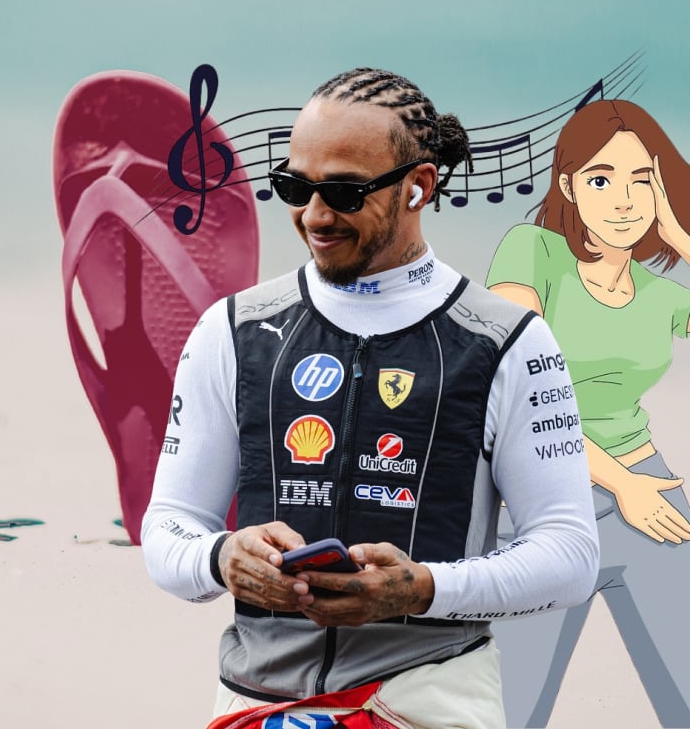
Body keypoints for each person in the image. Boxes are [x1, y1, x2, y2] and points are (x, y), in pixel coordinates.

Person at [141, 67, 600, 728]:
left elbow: (570, 556)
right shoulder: (231, 332)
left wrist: (422, 590)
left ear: (420, 187)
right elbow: (169, 529)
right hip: (255, 701)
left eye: (345, 193)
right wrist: (220, 557)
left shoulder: (509, 342)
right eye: (295, 187)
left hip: (425, 698)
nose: (315, 215)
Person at [486, 99, 690, 727]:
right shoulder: (532, 253)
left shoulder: (664, 297)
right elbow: (527, 394)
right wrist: (622, 484)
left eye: (641, 181)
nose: (623, 201)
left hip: (649, 490)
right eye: (602, 179)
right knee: (511, 709)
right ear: (570, 185)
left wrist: (684, 238)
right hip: (544, 494)